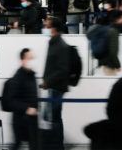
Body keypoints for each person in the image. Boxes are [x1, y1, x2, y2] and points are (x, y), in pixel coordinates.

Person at [41, 17, 70, 150]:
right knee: (52, 116)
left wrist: (48, 81)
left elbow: (62, 70)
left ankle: (57, 145)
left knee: (54, 117)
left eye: (47, 24)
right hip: (52, 86)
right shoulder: (53, 42)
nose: (44, 26)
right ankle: (54, 144)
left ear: (53, 28)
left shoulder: (61, 45)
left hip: (57, 87)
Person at [7, 48, 38, 150]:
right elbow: (11, 100)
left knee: (33, 144)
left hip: (31, 119)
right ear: (23, 60)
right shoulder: (18, 77)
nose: (32, 60)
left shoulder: (31, 75)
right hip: (20, 119)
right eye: (29, 58)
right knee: (18, 144)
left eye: (32, 58)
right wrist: (27, 108)